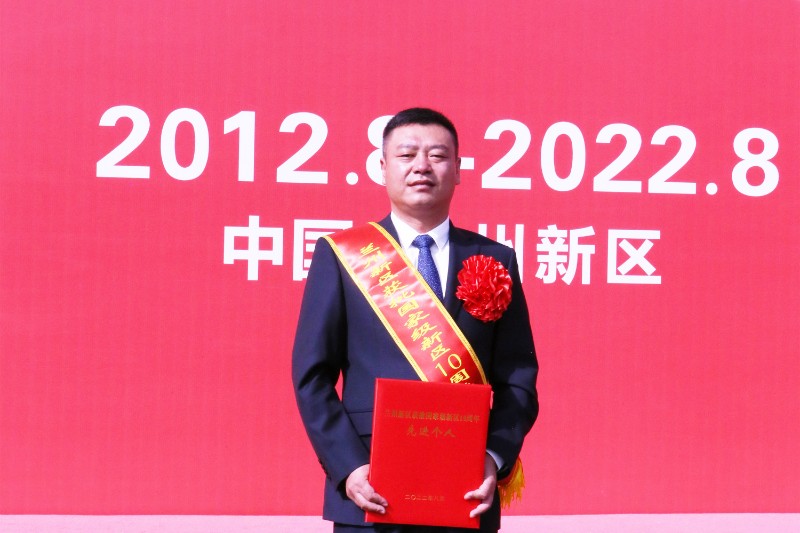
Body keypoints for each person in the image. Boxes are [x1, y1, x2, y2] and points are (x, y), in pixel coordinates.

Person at [292, 107, 539, 532]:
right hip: (370, 489)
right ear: (382, 167)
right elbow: (312, 376)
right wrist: (349, 468)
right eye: (407, 155)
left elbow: (518, 378)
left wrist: (492, 457)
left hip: (466, 490)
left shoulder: (496, 259)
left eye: (437, 156)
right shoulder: (343, 256)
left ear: (458, 170)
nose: (422, 166)